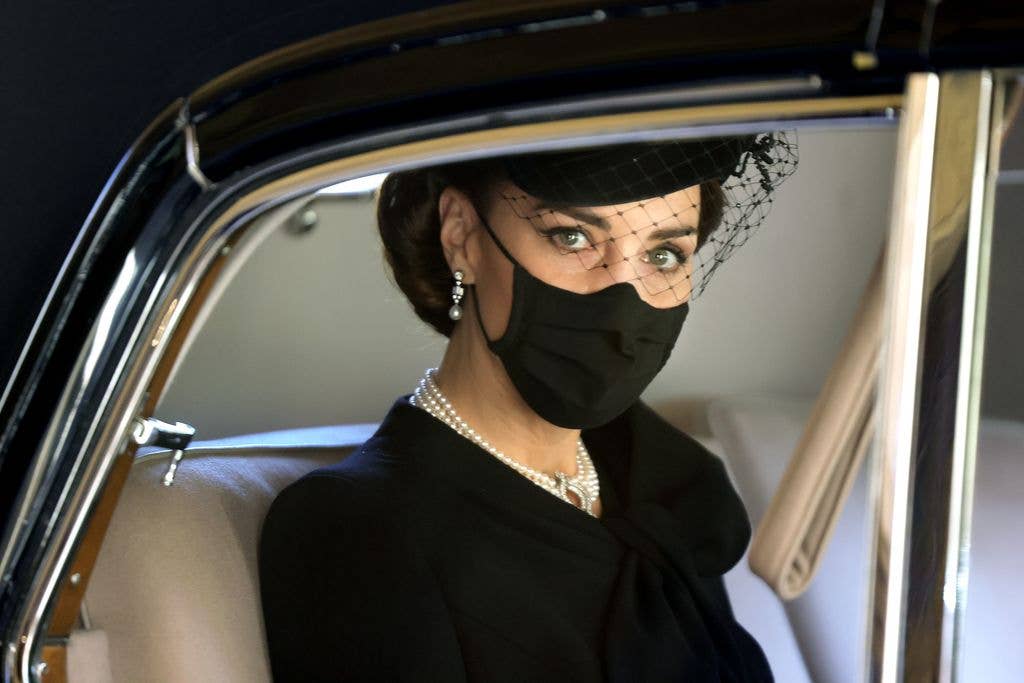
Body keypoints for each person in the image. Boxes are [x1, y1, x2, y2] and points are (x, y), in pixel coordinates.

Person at [259, 133, 798, 681]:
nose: (622, 295)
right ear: (462, 235)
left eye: (664, 254)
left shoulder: (670, 484)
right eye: (572, 237)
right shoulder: (359, 530)